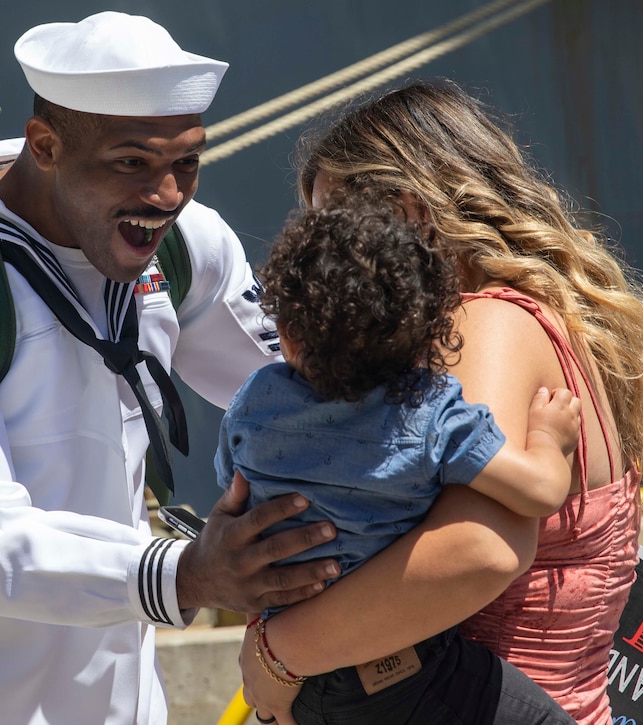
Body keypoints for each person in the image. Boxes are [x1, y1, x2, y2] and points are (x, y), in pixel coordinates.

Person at [0, 12, 340, 725]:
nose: (167, 195)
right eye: (131, 162)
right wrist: (188, 571)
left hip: (120, 701)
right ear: (45, 145)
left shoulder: (182, 243)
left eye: (187, 162)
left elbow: (311, 393)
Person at [237, 79, 643, 725]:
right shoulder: (538, 317)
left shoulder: (484, 325)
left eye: (337, 222)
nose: (327, 252)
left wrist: (276, 655)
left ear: (414, 212)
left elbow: (478, 550)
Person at [217, 192, 579, 724]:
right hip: (407, 678)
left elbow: (234, 500)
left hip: (309, 691)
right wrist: (550, 437)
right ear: (424, 332)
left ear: (289, 335)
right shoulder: (430, 415)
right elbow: (541, 491)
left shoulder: (254, 403)